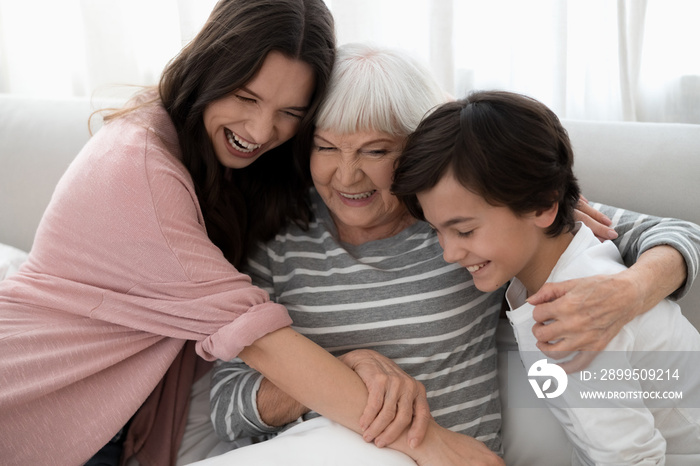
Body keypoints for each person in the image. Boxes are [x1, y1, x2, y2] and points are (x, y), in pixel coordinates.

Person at [204, 44, 700, 464]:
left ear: (418, 149)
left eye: (375, 151)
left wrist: (627, 292)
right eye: (326, 147)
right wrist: (341, 373)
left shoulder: (466, 224)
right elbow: (226, 407)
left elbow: (678, 233)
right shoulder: (279, 240)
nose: (346, 176)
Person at [0, 3, 437, 466]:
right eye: (247, 98)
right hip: (30, 402)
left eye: (289, 111)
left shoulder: (243, 164)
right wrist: (437, 448)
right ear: (210, 67)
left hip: (110, 429)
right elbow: (253, 336)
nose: (262, 130)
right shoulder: (137, 165)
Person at [391, 90, 700, 464]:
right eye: (438, 231)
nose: (449, 253)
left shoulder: (577, 316)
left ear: (543, 205)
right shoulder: (560, 258)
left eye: (466, 231)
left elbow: (632, 459)